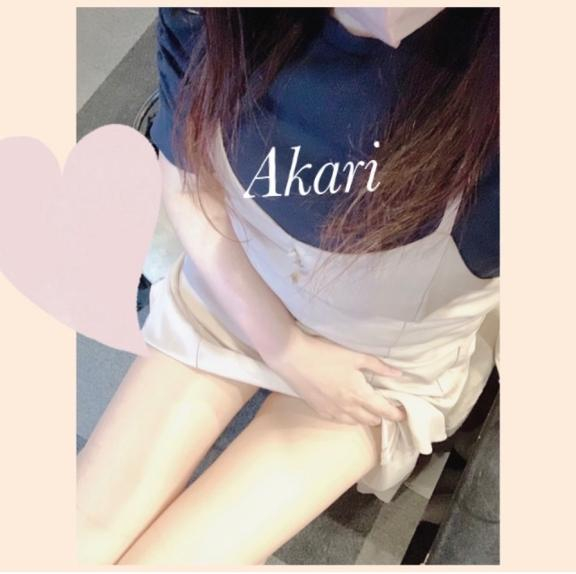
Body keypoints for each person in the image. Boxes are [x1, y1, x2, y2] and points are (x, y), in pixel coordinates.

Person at [77, 7, 500, 566]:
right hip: (232, 291)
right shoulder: (217, 17)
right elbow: (188, 181)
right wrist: (283, 346)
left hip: (375, 369)